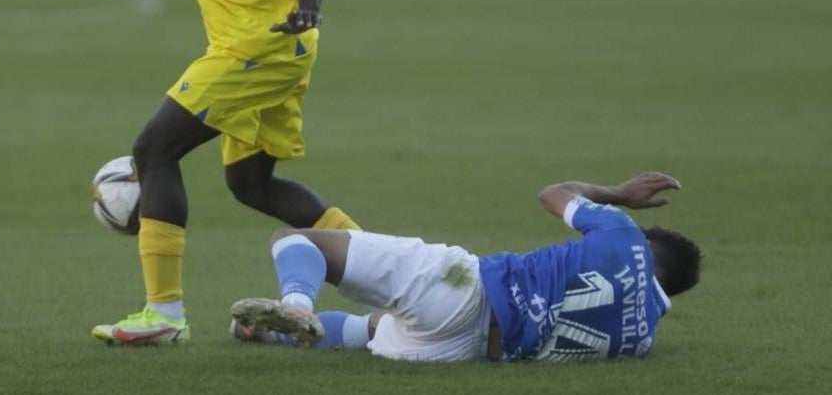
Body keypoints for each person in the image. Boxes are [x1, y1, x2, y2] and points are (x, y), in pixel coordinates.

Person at [82, 0, 361, 346]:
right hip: (262, 48)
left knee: (153, 150)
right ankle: (390, 268)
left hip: (262, 46)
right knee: (251, 184)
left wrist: (309, 6)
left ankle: (164, 313)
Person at [229, 172, 702, 362]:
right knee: (374, 329)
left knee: (295, 240)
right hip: (466, 352)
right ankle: (271, 333)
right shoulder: (643, 340)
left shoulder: (625, 237)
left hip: (464, 287)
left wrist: (617, 196)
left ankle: (295, 305)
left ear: (646, 242)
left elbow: (553, 195)